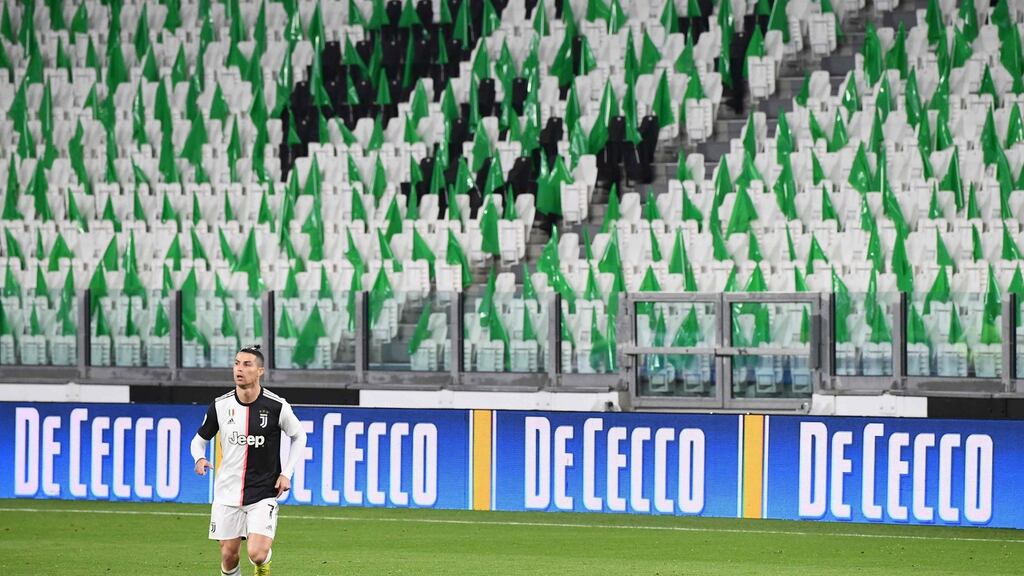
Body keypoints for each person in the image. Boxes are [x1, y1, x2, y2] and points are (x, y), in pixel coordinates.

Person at [190, 344, 307, 576]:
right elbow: (199, 440)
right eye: (236, 363)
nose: (239, 369)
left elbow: (299, 436)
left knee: (257, 553)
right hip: (227, 492)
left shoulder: (276, 406)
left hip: (263, 491)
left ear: (260, 371)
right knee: (228, 555)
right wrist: (199, 458)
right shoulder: (220, 406)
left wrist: (287, 473)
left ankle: (263, 566)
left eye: (246, 364)